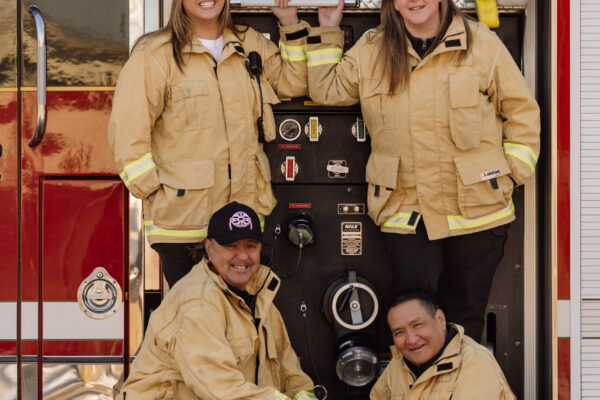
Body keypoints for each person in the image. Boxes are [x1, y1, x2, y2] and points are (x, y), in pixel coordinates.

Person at [307, 0, 540, 342]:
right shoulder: (373, 48)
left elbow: (522, 114)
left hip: (477, 213)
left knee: (464, 325)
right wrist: (327, 30)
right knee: (414, 329)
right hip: (407, 215)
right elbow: (326, 90)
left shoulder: (481, 44)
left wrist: (508, 176)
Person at [108, 0, 310, 288]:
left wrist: (290, 23)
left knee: (240, 325)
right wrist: (153, 192)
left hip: (243, 222)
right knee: (196, 324)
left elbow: (294, 83)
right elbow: (127, 136)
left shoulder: (246, 42)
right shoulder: (154, 55)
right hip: (186, 227)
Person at [117, 202, 318, 400]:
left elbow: (287, 367)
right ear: (209, 248)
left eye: (251, 245)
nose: (242, 256)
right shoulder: (197, 305)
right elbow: (221, 389)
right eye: (231, 246)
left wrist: (302, 395)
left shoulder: (259, 297)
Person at [370, 289, 515, 399]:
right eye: (399, 332)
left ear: (440, 319)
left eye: (417, 325)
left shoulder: (474, 363)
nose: (411, 340)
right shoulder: (398, 365)